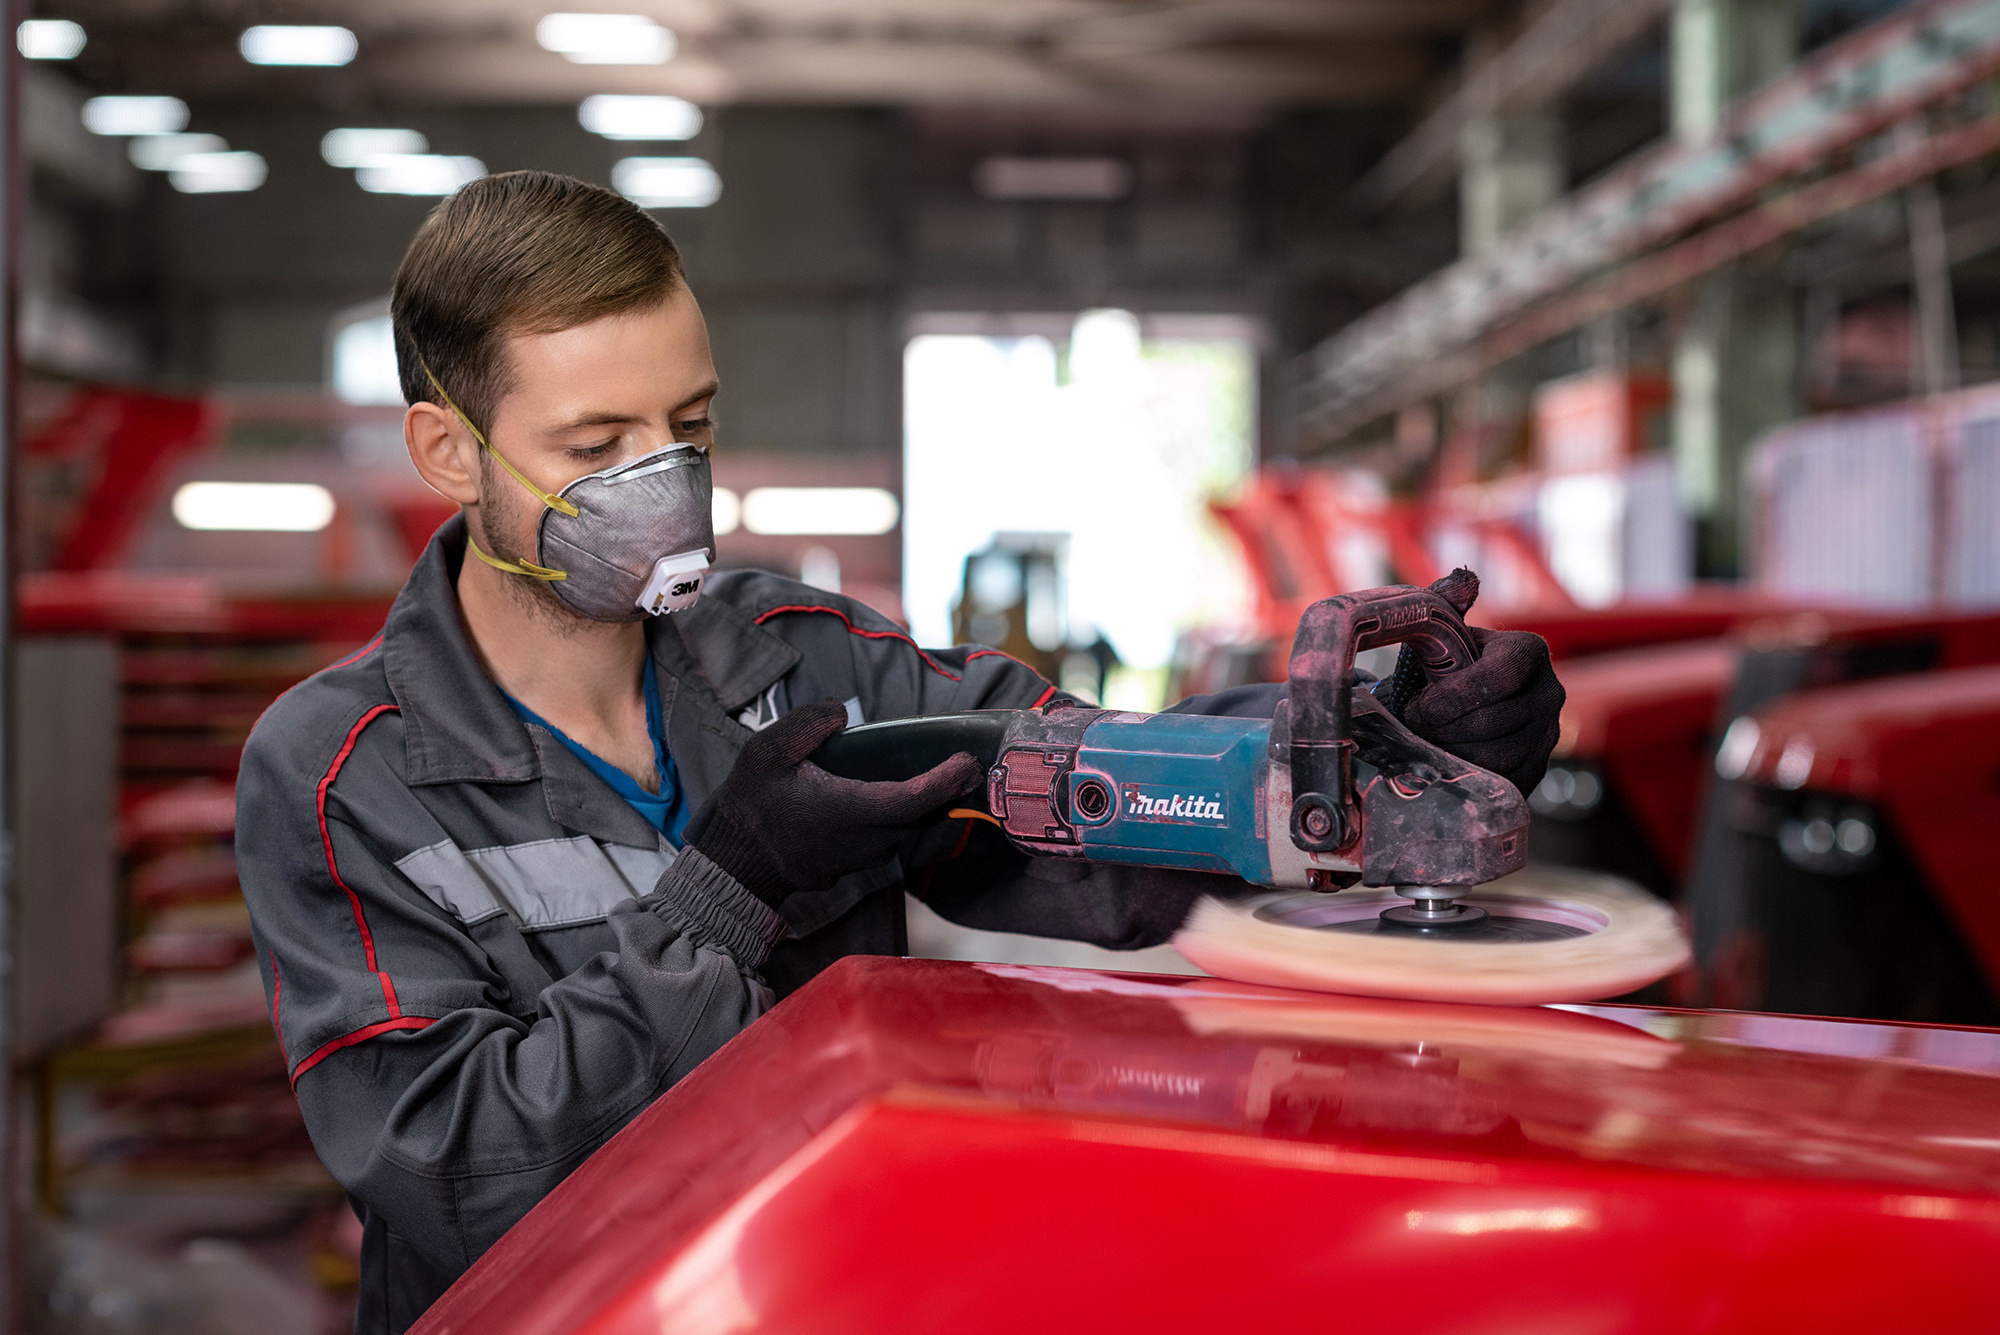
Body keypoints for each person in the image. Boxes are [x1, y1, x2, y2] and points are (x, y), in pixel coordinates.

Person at [235, 171, 1563, 1333]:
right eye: (598, 447)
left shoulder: (804, 660)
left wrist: (1349, 748)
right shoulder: (343, 770)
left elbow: (1070, 780)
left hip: (822, 1295)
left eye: (688, 427)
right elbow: (454, 1171)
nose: (669, 486)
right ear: (451, 455)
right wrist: (727, 894)